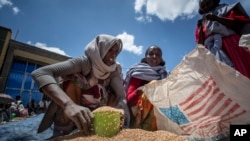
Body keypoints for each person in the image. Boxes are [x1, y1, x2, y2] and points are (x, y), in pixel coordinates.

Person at [31, 34, 130, 138]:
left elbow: (121, 96)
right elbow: (40, 73)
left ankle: (100, 129)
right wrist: (69, 105)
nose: (113, 55)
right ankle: (67, 128)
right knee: (73, 79)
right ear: (100, 49)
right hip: (73, 111)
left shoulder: (113, 70)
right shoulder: (84, 62)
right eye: (110, 50)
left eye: (116, 52)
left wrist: (121, 106)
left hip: (97, 115)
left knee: (114, 94)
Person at [195, 0, 250, 79]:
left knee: (242, 73)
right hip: (212, 53)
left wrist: (217, 18)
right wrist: (200, 28)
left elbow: (238, 24)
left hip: (232, 45)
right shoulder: (203, 22)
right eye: (203, 6)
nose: (206, 7)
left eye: (208, 3)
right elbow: (200, 45)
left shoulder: (226, 9)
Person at [124, 45, 168, 131]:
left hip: (159, 110)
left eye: (158, 55)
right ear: (146, 57)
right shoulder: (138, 73)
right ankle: (142, 129)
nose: (154, 57)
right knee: (154, 85)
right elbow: (129, 99)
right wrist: (139, 91)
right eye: (151, 54)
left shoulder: (164, 75)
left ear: (161, 59)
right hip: (138, 110)